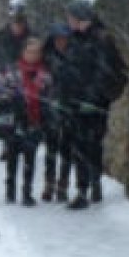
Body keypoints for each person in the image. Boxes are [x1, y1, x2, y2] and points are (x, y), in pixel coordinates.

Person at [61, 1, 129, 210]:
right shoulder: (75, 39)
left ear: (82, 19)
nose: (69, 21)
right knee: (81, 145)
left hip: (94, 104)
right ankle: (87, 186)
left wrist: (92, 97)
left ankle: (89, 186)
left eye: (71, 17)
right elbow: (69, 69)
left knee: (90, 144)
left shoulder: (101, 40)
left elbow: (104, 72)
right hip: (76, 102)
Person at [0, 37, 52, 206]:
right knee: (12, 157)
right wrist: (11, 96)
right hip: (14, 121)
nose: (33, 55)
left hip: (34, 121)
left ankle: (27, 193)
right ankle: (10, 191)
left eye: (37, 52)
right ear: (23, 52)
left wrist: (45, 103)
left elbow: (51, 94)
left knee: (30, 158)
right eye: (30, 51)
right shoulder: (12, 71)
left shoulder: (44, 73)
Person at [0, 4, 31, 163]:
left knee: (24, 114)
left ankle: (23, 144)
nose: (17, 26)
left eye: (20, 23)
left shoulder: (30, 37)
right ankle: (7, 145)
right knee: (5, 114)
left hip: (25, 80)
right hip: (4, 79)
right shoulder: (0, 36)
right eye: (15, 22)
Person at [42, 22, 74, 202]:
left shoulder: (74, 56)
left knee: (67, 148)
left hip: (68, 105)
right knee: (51, 147)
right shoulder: (47, 57)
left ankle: (63, 184)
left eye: (64, 39)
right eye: (58, 39)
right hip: (51, 105)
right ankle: (49, 183)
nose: (61, 42)